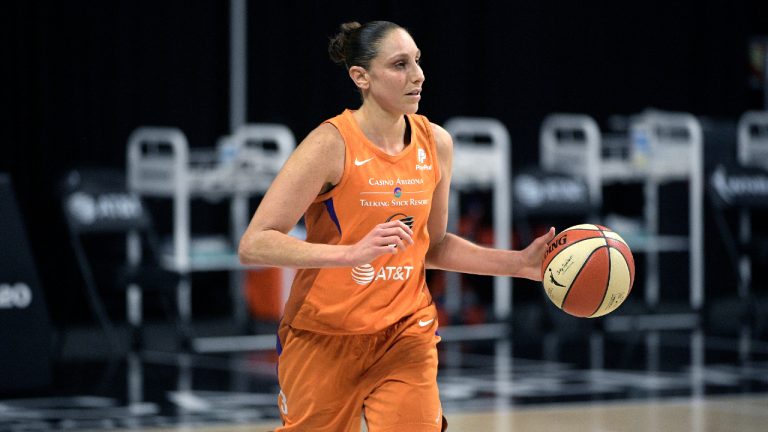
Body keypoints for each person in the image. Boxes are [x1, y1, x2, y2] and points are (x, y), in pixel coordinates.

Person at [238, 20, 555, 432]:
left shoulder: (436, 143)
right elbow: (254, 244)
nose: (418, 75)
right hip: (324, 334)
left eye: (418, 62)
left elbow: (432, 245)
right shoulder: (330, 144)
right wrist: (349, 253)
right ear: (361, 77)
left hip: (406, 331)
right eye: (400, 65)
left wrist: (518, 264)